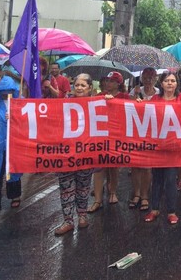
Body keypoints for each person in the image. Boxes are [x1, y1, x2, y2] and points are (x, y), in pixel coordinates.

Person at [143, 71, 181, 225]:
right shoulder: (155, 99)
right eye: (167, 81)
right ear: (161, 84)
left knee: (170, 179)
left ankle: (171, 211)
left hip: (174, 147)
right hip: (158, 146)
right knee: (156, 179)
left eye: (173, 80)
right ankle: (154, 209)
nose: (170, 83)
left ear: (177, 84)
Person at [53, 74, 95, 235]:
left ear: (90, 88)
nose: (79, 88)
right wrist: (14, 116)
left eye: (83, 85)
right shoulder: (63, 104)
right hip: (65, 155)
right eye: (76, 85)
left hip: (86, 154)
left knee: (83, 187)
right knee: (66, 189)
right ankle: (68, 221)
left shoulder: (97, 104)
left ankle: (82, 217)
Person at [88, 71, 131, 213]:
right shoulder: (99, 96)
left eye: (112, 81)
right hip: (101, 134)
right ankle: (98, 199)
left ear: (118, 83)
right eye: (107, 80)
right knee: (99, 166)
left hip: (117, 134)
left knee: (113, 166)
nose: (108, 83)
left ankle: (113, 191)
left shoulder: (125, 97)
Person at [128, 67, 158, 211]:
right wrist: (135, 98)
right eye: (146, 78)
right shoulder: (135, 91)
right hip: (136, 133)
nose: (148, 80)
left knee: (147, 167)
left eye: (151, 78)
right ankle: (136, 194)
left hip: (152, 133)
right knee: (135, 166)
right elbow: (126, 109)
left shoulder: (159, 93)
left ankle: (145, 196)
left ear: (156, 79)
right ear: (142, 78)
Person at [0, 74, 22, 214]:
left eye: (10, 90)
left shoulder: (19, 104)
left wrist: (15, 118)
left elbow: (28, 123)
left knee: (13, 171)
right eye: (4, 90)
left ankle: (15, 196)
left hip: (14, 144)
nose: (7, 93)